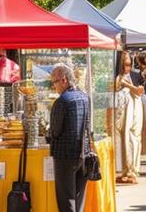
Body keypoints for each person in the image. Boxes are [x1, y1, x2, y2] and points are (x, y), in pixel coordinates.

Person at [48, 62, 93, 211]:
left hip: (64, 155)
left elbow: (55, 130)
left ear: (63, 80)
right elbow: (87, 125)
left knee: (66, 198)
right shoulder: (84, 97)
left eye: (54, 82)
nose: (54, 86)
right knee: (79, 198)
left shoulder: (62, 101)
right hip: (83, 152)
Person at [115, 51, 144, 185]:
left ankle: (132, 171)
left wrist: (129, 85)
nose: (128, 67)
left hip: (133, 108)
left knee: (132, 137)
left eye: (130, 64)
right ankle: (127, 171)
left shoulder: (134, 75)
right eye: (126, 64)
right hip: (123, 109)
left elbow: (139, 90)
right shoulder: (118, 76)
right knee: (124, 139)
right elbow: (116, 85)